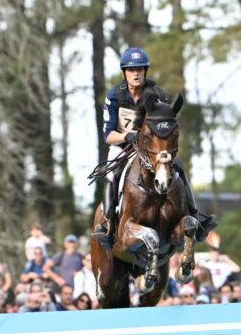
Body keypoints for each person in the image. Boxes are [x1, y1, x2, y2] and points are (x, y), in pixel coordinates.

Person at [91, 47, 216, 246]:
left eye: (140, 69)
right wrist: (128, 135)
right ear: (125, 72)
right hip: (123, 145)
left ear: (145, 72)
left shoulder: (157, 93)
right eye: (132, 70)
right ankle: (107, 224)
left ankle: (196, 217)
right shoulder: (114, 95)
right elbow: (108, 135)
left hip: (152, 148)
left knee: (178, 168)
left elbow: (165, 123)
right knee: (111, 174)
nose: (136, 74)